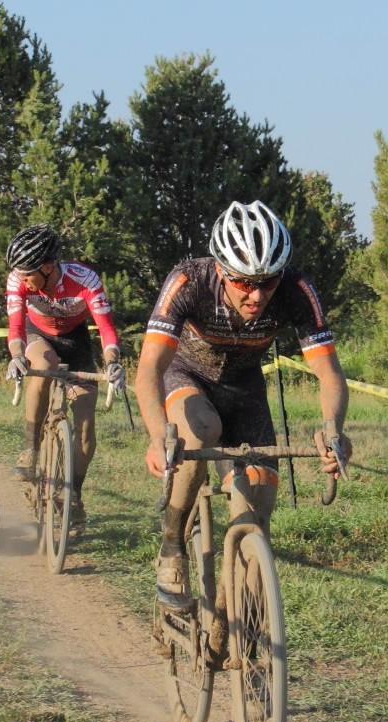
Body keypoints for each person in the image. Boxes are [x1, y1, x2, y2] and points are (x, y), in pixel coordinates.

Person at [135, 200, 353, 608]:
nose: (256, 294)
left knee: (258, 514)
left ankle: (242, 625)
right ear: (221, 270)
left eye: (267, 282)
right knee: (201, 430)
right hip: (187, 377)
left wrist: (333, 429)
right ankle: (171, 543)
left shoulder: (296, 289)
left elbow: (329, 373)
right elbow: (149, 367)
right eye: (243, 282)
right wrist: (157, 434)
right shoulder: (189, 281)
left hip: (245, 390)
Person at [3, 223, 127, 528]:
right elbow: (16, 327)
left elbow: (106, 329)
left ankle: (74, 495)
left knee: (85, 424)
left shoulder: (84, 279)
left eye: (28, 274)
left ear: (47, 267)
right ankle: (30, 448)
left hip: (76, 342)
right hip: (38, 336)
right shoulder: (18, 279)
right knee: (44, 364)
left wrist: (112, 363)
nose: (23, 279)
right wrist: (17, 356)